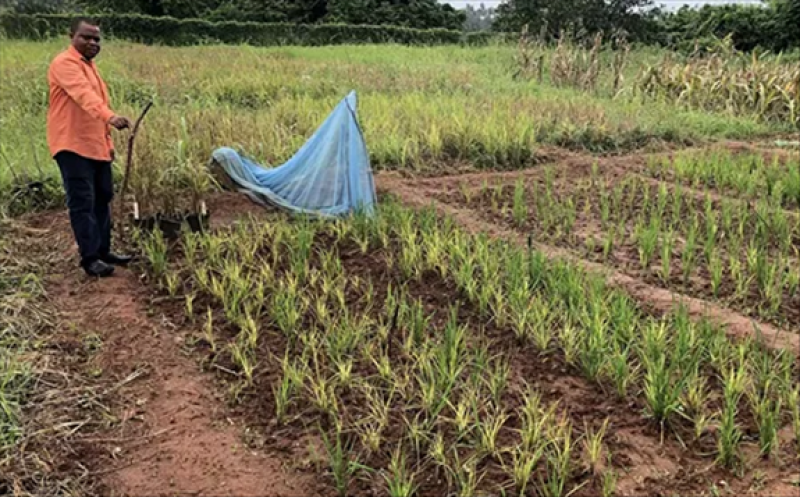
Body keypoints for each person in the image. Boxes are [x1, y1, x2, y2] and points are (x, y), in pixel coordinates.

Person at [47, 17, 133, 277]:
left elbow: (94, 104)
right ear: (72, 36)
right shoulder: (65, 64)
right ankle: (90, 258)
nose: (93, 42)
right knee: (83, 201)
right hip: (72, 145)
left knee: (103, 196)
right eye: (86, 37)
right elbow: (84, 96)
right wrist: (111, 117)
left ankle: (103, 250)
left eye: (97, 38)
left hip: (96, 146)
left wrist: (107, 144)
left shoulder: (91, 67)